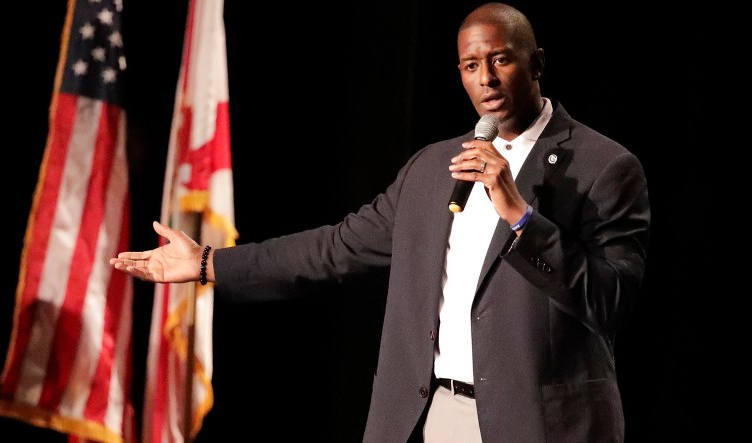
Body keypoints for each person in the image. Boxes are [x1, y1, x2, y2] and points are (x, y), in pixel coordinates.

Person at [111, 2, 650, 442]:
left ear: (536, 64)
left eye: (501, 60)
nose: (485, 78)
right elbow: (333, 249)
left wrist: (518, 215)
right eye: (470, 65)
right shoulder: (431, 170)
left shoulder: (605, 167)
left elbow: (610, 302)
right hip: (430, 416)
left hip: (540, 427)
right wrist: (208, 263)